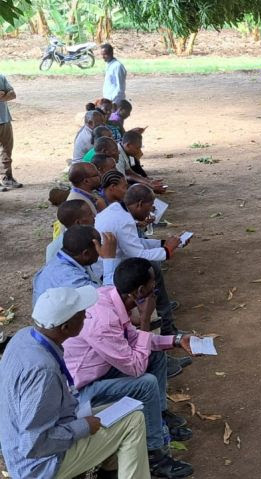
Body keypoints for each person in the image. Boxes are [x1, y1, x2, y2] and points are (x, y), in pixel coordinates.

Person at [0, 286, 150, 478]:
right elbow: (34, 443)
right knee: (133, 421)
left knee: (123, 413)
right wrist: (83, 427)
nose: (87, 316)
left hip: (25, 443)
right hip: (40, 466)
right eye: (82, 314)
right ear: (66, 328)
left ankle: (108, 470)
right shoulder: (43, 372)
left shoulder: (24, 336)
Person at [64, 259, 195, 478]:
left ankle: (160, 417)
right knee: (146, 383)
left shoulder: (113, 297)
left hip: (102, 369)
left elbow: (134, 339)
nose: (156, 290)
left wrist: (176, 340)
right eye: (154, 286)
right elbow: (135, 368)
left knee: (155, 355)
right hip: (82, 391)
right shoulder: (103, 320)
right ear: (141, 291)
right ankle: (155, 455)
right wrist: (145, 318)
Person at [95, 184, 182, 335]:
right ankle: (164, 325)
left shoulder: (116, 210)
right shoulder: (124, 221)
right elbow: (138, 254)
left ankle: (164, 316)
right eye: (150, 207)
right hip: (109, 271)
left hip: (108, 264)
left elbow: (134, 244)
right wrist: (167, 251)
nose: (152, 211)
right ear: (140, 204)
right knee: (151, 271)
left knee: (153, 270)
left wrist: (163, 244)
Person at [34, 225, 117, 305]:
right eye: (99, 246)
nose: (101, 249)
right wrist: (109, 259)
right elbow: (108, 300)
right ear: (86, 254)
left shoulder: (56, 261)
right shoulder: (72, 278)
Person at [0, 72, 21, 191]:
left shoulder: (1, 77)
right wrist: (4, 95)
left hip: (5, 119)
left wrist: (3, 96)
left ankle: (7, 177)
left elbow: (13, 94)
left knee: (7, 150)